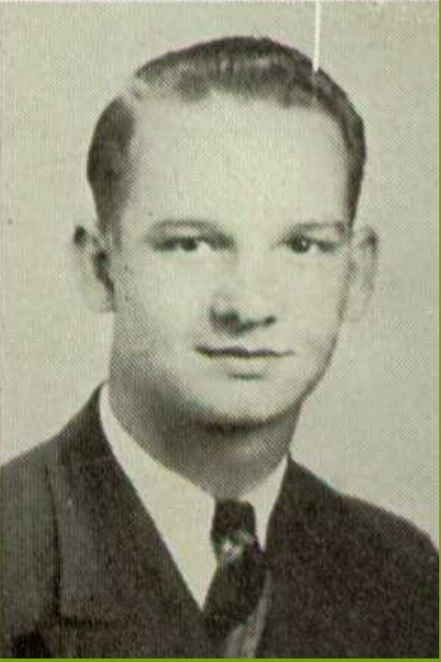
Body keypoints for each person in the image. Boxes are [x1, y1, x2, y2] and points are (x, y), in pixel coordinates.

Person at [0, 36, 437, 658]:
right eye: (191, 244)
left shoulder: (403, 575)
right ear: (100, 268)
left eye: (302, 245)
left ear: (356, 275)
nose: (248, 306)